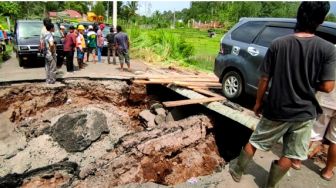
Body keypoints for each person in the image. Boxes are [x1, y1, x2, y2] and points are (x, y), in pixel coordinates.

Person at [229, 2, 335, 187]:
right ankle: (270, 185)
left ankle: (237, 171)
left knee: (256, 141)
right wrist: (309, 82)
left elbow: (264, 79)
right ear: (321, 20)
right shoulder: (327, 49)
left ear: (298, 16)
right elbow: (328, 87)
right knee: (291, 153)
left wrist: (258, 102)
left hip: (277, 107)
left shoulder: (279, 44)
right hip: (304, 112)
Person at [292, 88, 336, 181]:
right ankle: (328, 172)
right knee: (335, 141)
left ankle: (297, 161)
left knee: (313, 132)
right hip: (327, 99)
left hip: (327, 99)